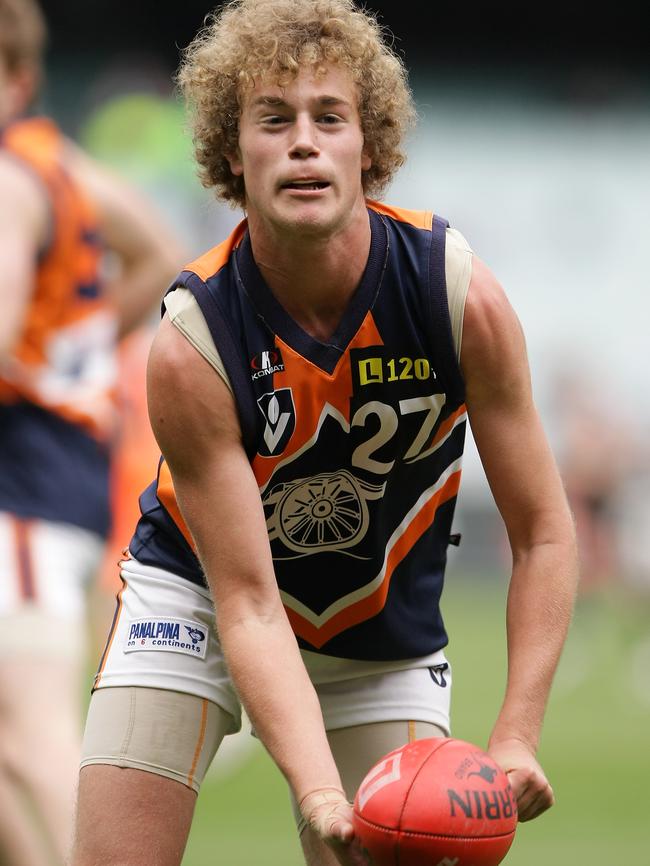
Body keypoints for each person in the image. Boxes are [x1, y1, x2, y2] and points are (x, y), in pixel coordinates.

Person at [70, 1, 579, 865]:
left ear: (368, 148)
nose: (304, 142)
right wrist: (316, 794)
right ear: (233, 154)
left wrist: (518, 736)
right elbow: (249, 601)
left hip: (382, 632)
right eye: (274, 119)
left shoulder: (457, 297)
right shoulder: (193, 341)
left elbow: (543, 533)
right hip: (197, 598)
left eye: (328, 118)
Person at [0, 1, 186, 864]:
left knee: (31, 727)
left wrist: (49, 355)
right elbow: (158, 246)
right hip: (53, 472)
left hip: (22, 484)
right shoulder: (61, 167)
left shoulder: (8, 177)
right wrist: (71, 346)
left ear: (17, 79)